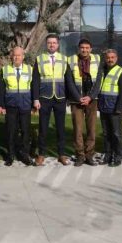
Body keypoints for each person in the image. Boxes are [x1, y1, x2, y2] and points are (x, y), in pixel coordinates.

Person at [32, 34, 79, 166]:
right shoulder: (39, 59)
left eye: (54, 43)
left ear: (58, 45)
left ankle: (61, 154)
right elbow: (35, 80)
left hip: (60, 98)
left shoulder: (64, 59)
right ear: (46, 45)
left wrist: (71, 98)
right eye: (49, 43)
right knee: (43, 128)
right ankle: (41, 154)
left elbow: (69, 80)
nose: (52, 45)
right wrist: (35, 99)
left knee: (60, 128)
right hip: (44, 98)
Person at [0, 46, 34, 166]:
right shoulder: (5, 70)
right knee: (10, 131)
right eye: (15, 55)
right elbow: (1, 89)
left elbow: (34, 88)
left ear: (23, 56)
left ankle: (25, 155)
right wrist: (1, 105)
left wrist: (34, 103)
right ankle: (10, 155)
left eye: (19, 55)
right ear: (11, 57)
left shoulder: (30, 69)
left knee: (25, 131)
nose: (17, 57)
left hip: (25, 105)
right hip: (11, 105)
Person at [68, 38, 102, 166]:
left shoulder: (97, 60)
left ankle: (89, 155)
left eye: (87, 48)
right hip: (76, 99)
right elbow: (69, 81)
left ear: (91, 49)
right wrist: (78, 97)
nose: (85, 50)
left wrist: (91, 97)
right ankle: (80, 156)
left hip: (92, 100)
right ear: (79, 48)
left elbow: (99, 80)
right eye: (82, 47)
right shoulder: (71, 60)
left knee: (91, 129)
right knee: (77, 129)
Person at [98, 49, 122, 166]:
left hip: (115, 107)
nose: (110, 59)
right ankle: (108, 155)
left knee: (116, 133)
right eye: (108, 57)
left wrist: (119, 108)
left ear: (116, 58)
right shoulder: (102, 70)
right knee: (106, 133)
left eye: (112, 57)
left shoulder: (121, 72)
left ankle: (118, 156)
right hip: (104, 106)